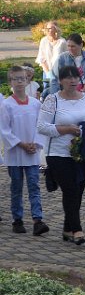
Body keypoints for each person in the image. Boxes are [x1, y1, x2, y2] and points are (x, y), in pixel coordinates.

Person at [37, 65, 85, 245]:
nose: (72, 81)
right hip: (58, 154)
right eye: (68, 78)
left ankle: (67, 228)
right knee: (70, 190)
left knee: (77, 192)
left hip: (82, 153)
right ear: (60, 81)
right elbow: (42, 126)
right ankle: (77, 229)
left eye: (75, 77)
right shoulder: (53, 100)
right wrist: (65, 129)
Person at [0, 66, 49, 235]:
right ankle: (17, 219)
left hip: (32, 153)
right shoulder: (6, 105)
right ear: (10, 82)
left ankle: (37, 219)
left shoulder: (36, 104)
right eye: (16, 79)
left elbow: (40, 126)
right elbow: (5, 130)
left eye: (22, 78)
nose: (19, 82)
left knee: (34, 186)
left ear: (28, 80)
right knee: (16, 187)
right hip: (15, 154)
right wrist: (20, 144)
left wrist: (35, 143)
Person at [50, 33, 85, 105]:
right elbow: (53, 78)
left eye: (73, 46)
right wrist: (54, 98)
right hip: (67, 96)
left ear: (81, 45)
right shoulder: (62, 58)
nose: (70, 48)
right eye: (68, 46)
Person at [36, 21, 66, 93]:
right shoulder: (44, 41)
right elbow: (41, 57)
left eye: (50, 28)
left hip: (59, 73)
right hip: (46, 71)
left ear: (56, 29)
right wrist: (48, 73)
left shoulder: (62, 42)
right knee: (47, 89)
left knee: (59, 91)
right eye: (47, 28)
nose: (48, 30)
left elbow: (65, 58)